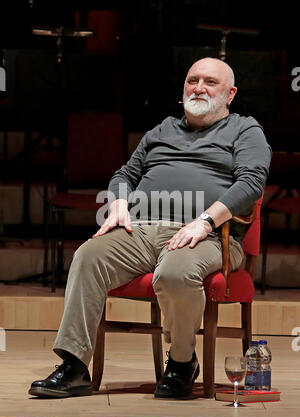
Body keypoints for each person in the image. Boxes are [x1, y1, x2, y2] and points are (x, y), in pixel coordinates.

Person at [29, 57, 271, 399]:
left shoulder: (246, 130)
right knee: (88, 256)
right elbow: (124, 174)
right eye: (192, 80)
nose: (198, 87)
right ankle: (74, 366)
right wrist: (117, 205)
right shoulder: (163, 129)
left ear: (230, 94)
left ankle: (182, 363)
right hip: (141, 230)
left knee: (174, 273)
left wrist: (203, 222)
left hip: (212, 235)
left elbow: (252, 183)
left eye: (209, 82)